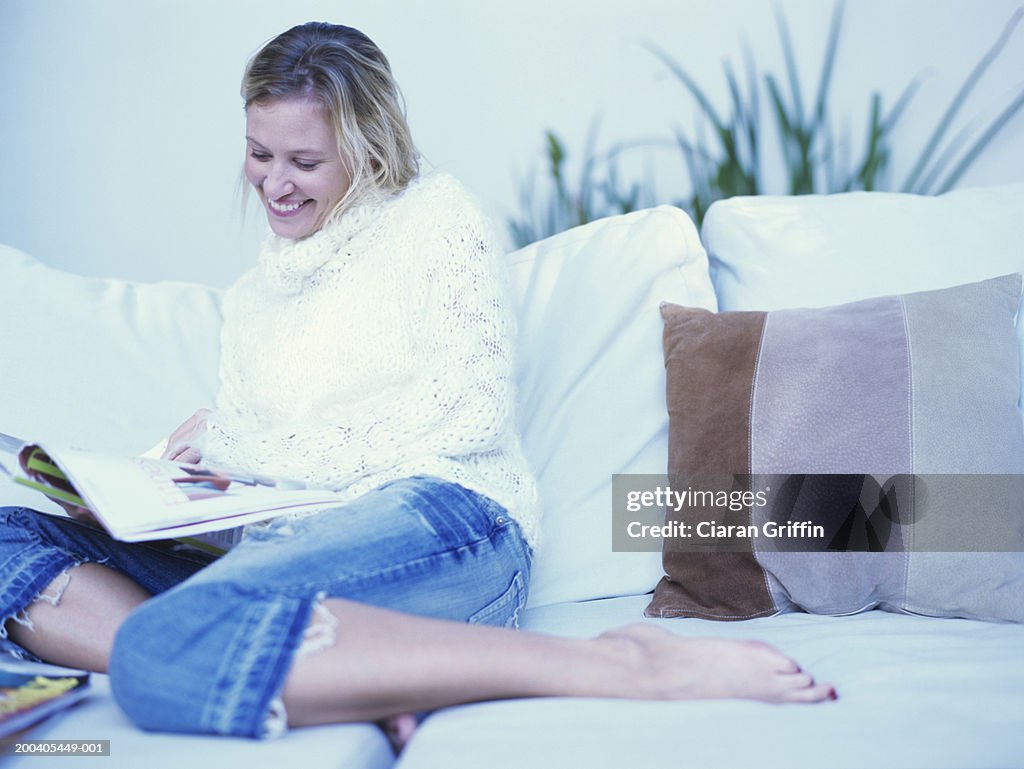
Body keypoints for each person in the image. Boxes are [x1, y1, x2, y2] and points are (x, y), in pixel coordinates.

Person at [0, 21, 835, 750]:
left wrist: (237, 441)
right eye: (259, 154)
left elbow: (462, 417)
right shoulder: (255, 298)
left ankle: (614, 662)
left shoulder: (436, 221)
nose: (274, 183)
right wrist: (146, 502)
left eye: (304, 160)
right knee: (9, 535)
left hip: (448, 517)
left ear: (365, 147)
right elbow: (269, 486)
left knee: (161, 658)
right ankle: (334, 670)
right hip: (298, 544)